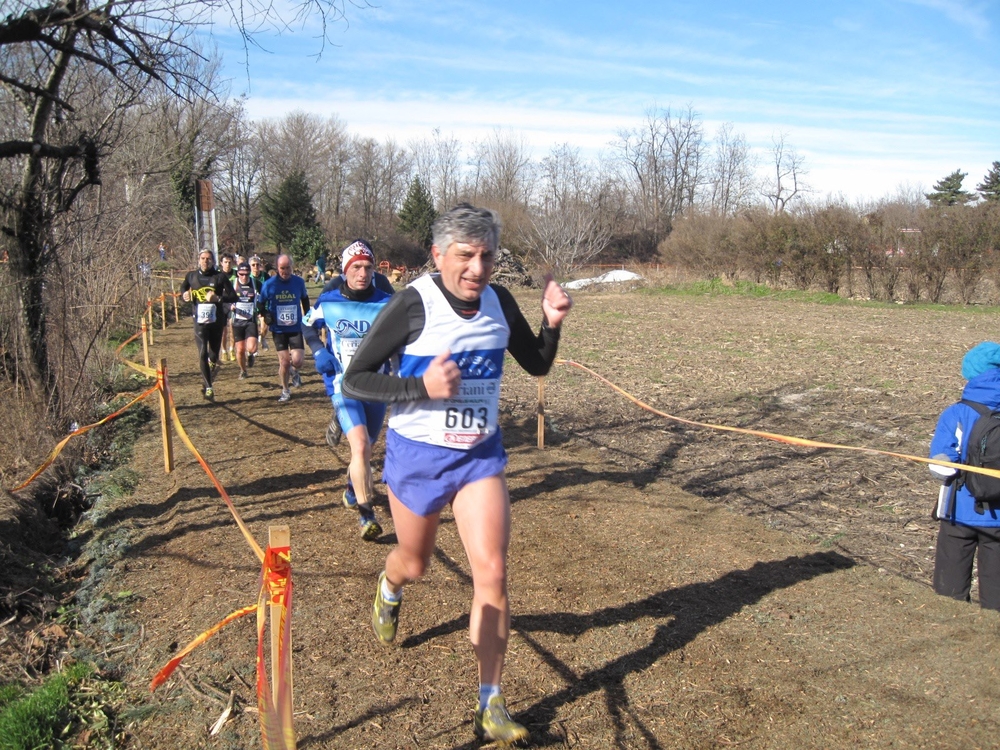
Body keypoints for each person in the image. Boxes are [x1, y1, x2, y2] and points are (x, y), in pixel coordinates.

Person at [342, 203, 572, 745]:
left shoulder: (498, 300)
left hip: (478, 457)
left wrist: (552, 326)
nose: (477, 268)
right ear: (438, 255)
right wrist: (421, 389)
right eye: (465, 255)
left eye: (487, 255)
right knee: (415, 563)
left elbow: (536, 363)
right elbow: (357, 380)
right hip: (418, 458)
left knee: (492, 570)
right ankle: (390, 585)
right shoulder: (411, 304)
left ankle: (490, 702)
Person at [303, 240, 394, 540]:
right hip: (344, 385)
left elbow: (402, 338)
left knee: (365, 448)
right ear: (345, 270)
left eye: (368, 267)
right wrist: (318, 351)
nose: (363, 273)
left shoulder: (386, 302)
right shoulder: (328, 301)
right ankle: (367, 516)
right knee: (360, 447)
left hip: (377, 386)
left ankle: (351, 490)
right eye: (356, 267)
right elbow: (307, 326)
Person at [929, 341, 1000, 611]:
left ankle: (951, 631)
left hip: (958, 514)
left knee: (950, 591)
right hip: (998, 517)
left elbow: (940, 467)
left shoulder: (956, 413)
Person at [180, 250, 236, 400]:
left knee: (213, 355)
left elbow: (233, 296)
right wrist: (184, 295)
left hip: (216, 321)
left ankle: (211, 367)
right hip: (199, 322)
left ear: (213, 261)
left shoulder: (219, 276)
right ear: (199, 260)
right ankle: (209, 387)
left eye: (209, 259)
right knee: (202, 352)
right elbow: (183, 289)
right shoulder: (191, 276)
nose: (205, 261)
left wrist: (217, 297)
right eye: (203, 259)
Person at [259, 254, 310, 403]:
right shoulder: (269, 284)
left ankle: (295, 372)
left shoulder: (299, 282)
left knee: (298, 361)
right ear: (277, 268)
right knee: (284, 362)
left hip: (295, 327)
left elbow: (305, 299)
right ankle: (285, 390)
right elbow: (260, 304)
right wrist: (266, 314)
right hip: (279, 329)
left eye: (288, 268)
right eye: (282, 268)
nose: (285, 271)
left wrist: (307, 317)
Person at [230, 261, 261, 379]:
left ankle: (251, 354)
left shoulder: (255, 283)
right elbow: (224, 299)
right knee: (240, 350)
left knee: (252, 347)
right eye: (241, 274)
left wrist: (261, 309)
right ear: (238, 274)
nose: (244, 277)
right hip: (237, 321)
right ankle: (243, 370)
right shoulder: (232, 284)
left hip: (250, 320)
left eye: (247, 274)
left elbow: (264, 296)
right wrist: (230, 306)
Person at [249, 255, 270, 351]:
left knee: (264, 327)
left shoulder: (265, 276)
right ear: (250, 266)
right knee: (253, 328)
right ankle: (254, 348)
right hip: (251, 304)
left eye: (257, 264)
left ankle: (263, 337)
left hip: (264, 304)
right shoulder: (247, 277)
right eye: (253, 265)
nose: (255, 267)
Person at [218, 253, 236, 362]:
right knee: (223, 331)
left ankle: (232, 349)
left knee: (232, 327)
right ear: (221, 263)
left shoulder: (237, 274)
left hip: (233, 304)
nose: (228, 264)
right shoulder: (218, 275)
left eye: (229, 262)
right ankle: (224, 351)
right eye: (225, 262)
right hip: (221, 304)